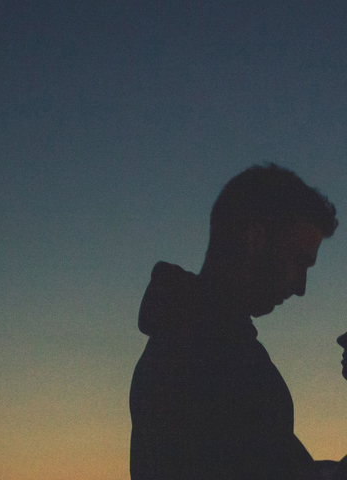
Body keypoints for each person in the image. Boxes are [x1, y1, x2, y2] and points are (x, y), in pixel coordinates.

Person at [130, 164, 339, 480]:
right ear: (253, 238)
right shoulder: (209, 356)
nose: (301, 288)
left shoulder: (203, 340)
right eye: (298, 261)